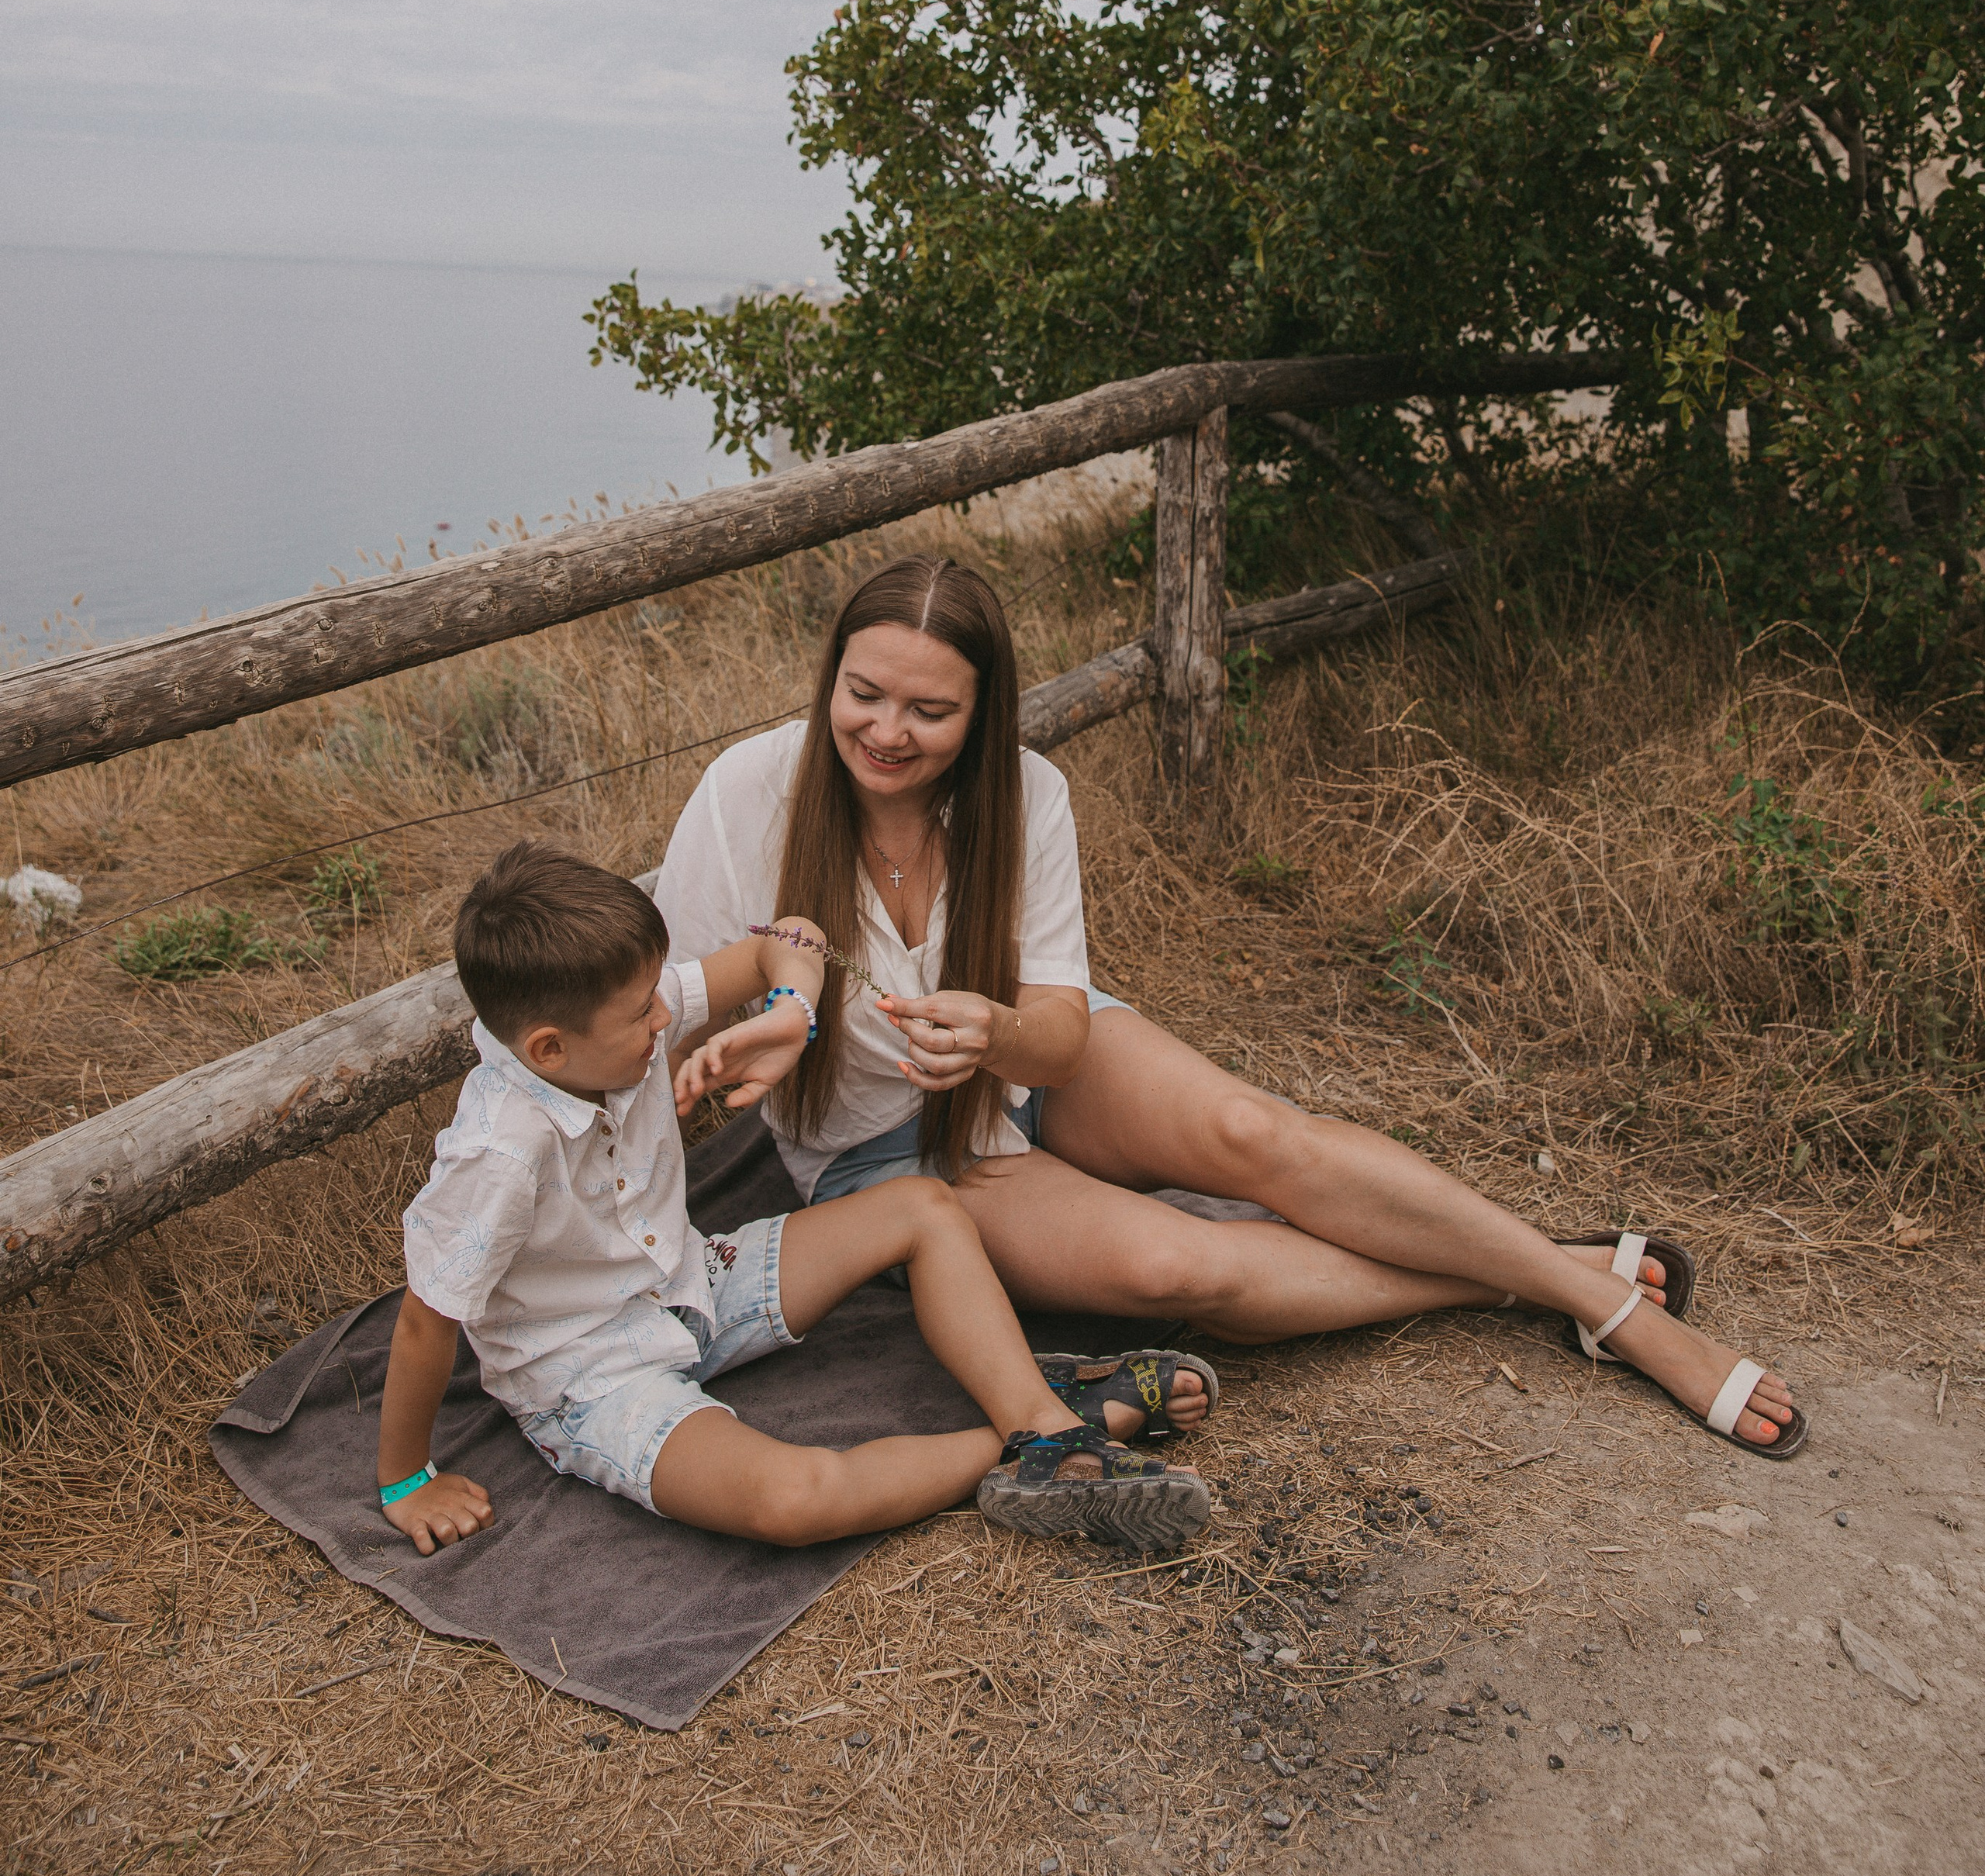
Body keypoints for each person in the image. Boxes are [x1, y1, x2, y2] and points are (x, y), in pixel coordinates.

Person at [658, 558, 1807, 1463]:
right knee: (1183, 1272)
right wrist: (739, 1050)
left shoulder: (1027, 793)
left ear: (983, 711)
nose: (886, 732)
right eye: (863, 695)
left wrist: (997, 1034)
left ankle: (1624, 1322)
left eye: (929, 709)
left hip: (1027, 1064)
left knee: (1259, 1134)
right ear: (831, 678)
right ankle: (1548, 1274)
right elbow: (674, 1012)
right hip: (884, 1151)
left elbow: (1057, 1033)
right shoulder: (748, 794)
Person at [373, 841, 1213, 1561]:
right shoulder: (497, 1154)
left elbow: (790, 934)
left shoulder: (604, 1018)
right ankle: (1049, 1439)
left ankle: (1039, 1416)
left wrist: (789, 1009)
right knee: (794, 1500)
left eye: (659, 995)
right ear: (549, 1050)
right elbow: (424, 1320)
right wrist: (407, 1479)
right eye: (642, 1013)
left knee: (921, 1206)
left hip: (692, 1282)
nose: (667, 1018)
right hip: (590, 1375)